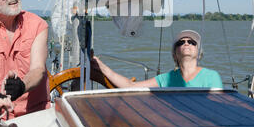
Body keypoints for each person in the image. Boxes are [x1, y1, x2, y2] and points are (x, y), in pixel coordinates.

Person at [91, 30, 222, 88]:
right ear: (174, 54)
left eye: (192, 42)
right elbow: (131, 85)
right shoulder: (166, 79)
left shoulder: (211, 76)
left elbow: (219, 108)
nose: (186, 43)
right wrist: (101, 67)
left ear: (199, 53)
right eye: (180, 43)